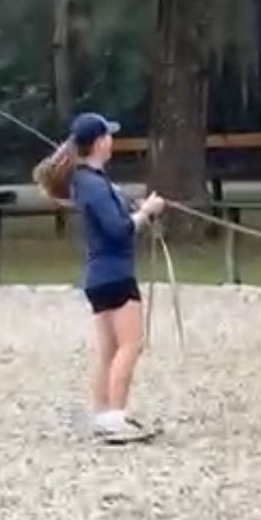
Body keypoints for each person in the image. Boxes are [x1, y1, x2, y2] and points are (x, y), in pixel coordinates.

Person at [67, 112, 166, 444]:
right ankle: (115, 417)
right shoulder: (94, 185)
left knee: (109, 349)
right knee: (130, 344)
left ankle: (103, 414)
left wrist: (137, 207)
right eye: (108, 135)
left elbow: (115, 215)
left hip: (99, 276)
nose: (112, 140)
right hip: (115, 274)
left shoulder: (90, 181)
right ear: (99, 142)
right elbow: (118, 230)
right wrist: (146, 214)